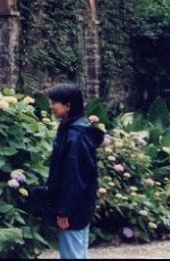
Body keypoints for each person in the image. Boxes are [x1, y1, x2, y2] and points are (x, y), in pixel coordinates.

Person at [45, 83, 105, 259]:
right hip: (80, 205)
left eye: (55, 102)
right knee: (78, 254)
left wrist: (64, 211)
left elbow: (74, 176)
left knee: (73, 255)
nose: (51, 106)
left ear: (68, 105)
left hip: (74, 208)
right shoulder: (74, 130)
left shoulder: (75, 136)